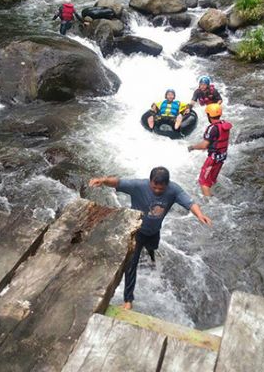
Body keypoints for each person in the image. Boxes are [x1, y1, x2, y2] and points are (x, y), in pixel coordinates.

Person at [89, 167, 212, 310]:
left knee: (153, 248)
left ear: (167, 184)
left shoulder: (174, 190)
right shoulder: (138, 186)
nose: (158, 191)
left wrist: (200, 215)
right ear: (150, 182)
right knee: (131, 265)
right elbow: (118, 182)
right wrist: (103, 180)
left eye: (161, 189)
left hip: (154, 231)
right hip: (136, 231)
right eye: (155, 187)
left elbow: (189, 203)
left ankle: (151, 256)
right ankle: (128, 300)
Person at [188, 103, 232, 197]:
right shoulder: (224, 124)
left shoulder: (212, 128)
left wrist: (192, 147)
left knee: (204, 182)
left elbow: (204, 145)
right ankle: (212, 195)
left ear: (209, 115)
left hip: (213, 159)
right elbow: (218, 140)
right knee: (211, 180)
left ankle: (210, 204)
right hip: (222, 157)